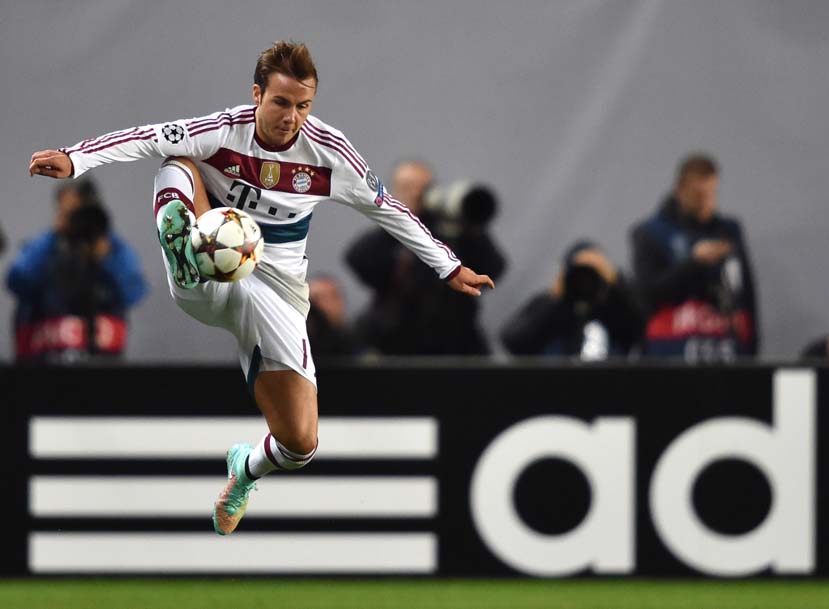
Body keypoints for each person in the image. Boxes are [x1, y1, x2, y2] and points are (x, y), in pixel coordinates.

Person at [28, 41, 494, 535]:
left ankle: (244, 472)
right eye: (280, 102)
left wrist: (448, 265)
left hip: (278, 290)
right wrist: (75, 159)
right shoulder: (224, 130)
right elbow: (147, 137)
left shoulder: (329, 153)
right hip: (211, 267)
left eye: (303, 105)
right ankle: (184, 249)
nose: (292, 116)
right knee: (177, 163)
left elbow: (387, 209)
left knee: (300, 444)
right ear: (257, 95)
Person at [346, 162, 506, 355]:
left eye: (423, 188)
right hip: (398, 345)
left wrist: (470, 228)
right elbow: (358, 259)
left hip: (457, 343)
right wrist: (400, 219)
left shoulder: (453, 232)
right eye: (407, 188)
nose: (416, 194)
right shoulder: (389, 237)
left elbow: (493, 269)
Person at [630, 153, 759, 362]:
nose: (708, 203)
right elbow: (646, 296)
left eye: (712, 193)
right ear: (680, 192)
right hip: (670, 355)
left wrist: (751, 351)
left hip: (726, 352)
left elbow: (747, 294)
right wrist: (693, 263)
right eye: (699, 195)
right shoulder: (651, 234)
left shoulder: (728, 232)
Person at [6, 179, 147, 362]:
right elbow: (17, 281)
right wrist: (53, 236)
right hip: (42, 366)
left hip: (102, 366)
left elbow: (133, 293)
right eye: (70, 213)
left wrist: (105, 256)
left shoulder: (112, 250)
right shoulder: (44, 248)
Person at [501, 241, 644, 359]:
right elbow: (512, 341)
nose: (585, 284)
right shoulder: (551, 303)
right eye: (578, 276)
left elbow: (639, 328)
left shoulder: (614, 306)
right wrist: (557, 300)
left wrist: (615, 288)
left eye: (593, 275)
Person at [306, 273, 361, 358]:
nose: (325, 304)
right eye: (316, 299)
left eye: (333, 296)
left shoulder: (359, 340)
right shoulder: (299, 347)